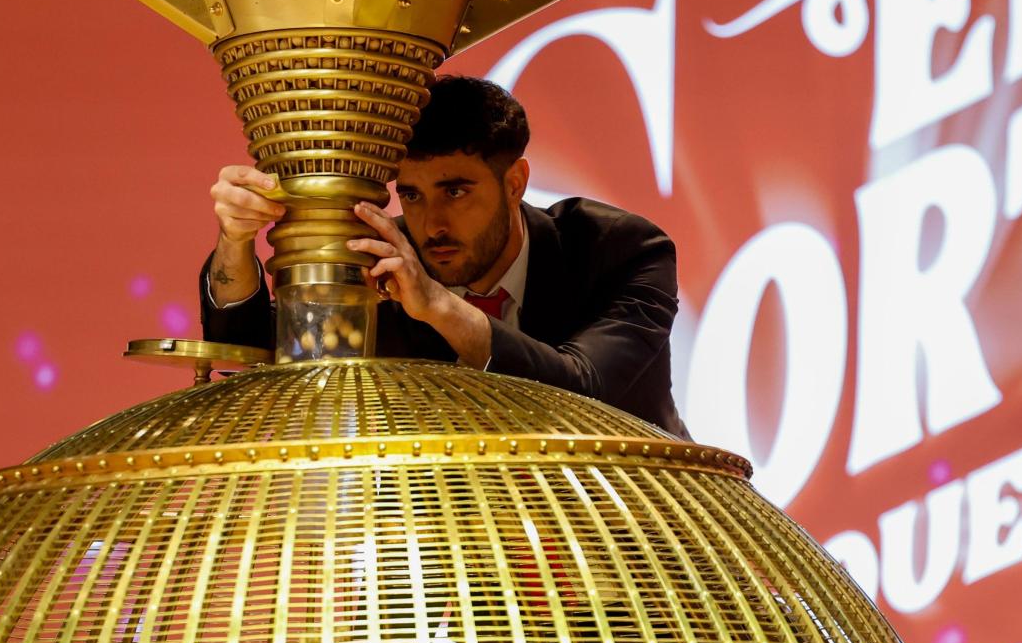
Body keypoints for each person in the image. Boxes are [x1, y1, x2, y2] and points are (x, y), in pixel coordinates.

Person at [200, 75, 688, 436]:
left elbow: (582, 393)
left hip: (636, 535)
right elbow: (256, 356)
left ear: (514, 182)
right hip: (460, 548)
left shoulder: (622, 251)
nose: (431, 226)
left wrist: (438, 305)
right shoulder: (385, 254)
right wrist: (236, 241)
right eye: (411, 196)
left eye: (454, 192)